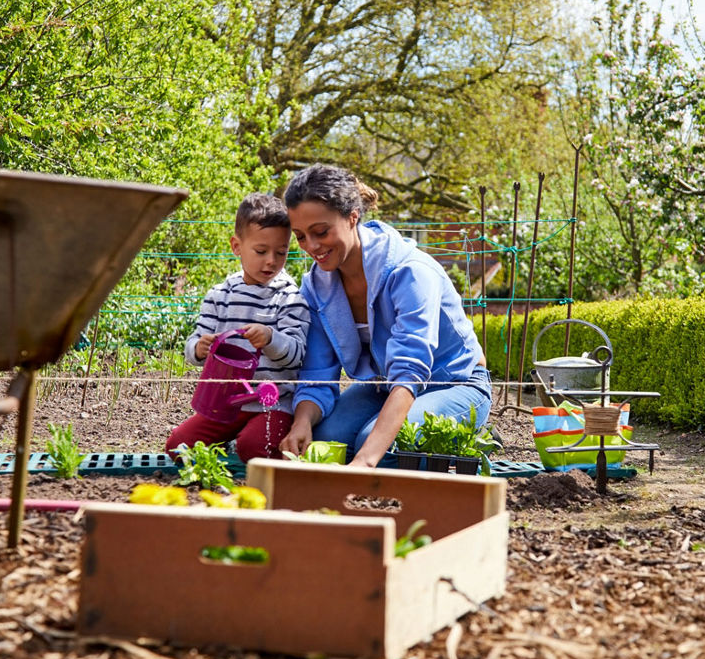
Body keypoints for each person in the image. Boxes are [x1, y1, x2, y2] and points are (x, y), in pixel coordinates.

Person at [278, 164, 492, 467]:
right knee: (325, 439)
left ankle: (463, 436)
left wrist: (365, 461)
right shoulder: (317, 286)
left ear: (352, 217)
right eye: (300, 237)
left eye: (321, 232)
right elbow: (317, 372)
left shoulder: (410, 273)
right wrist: (302, 423)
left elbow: (409, 371)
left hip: (455, 385)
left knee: (376, 447)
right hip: (382, 388)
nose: (311, 247)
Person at [166, 193, 309, 462]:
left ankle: (248, 439)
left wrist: (270, 338)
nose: (271, 261)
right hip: (223, 403)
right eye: (261, 251)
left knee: (254, 450)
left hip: (271, 404)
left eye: (281, 252)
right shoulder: (220, 295)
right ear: (236, 246)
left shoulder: (290, 298)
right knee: (179, 446)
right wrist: (198, 348)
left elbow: (296, 354)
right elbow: (195, 343)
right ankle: (232, 440)